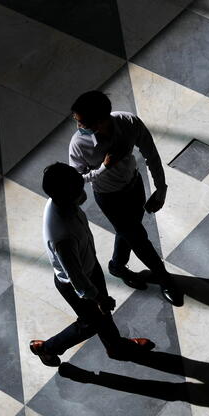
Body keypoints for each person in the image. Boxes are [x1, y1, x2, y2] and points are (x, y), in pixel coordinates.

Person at [29, 162, 153, 367]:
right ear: (65, 196)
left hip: (89, 267)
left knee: (101, 318)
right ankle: (48, 348)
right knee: (91, 323)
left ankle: (115, 347)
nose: (83, 192)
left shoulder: (60, 200)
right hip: (78, 284)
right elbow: (77, 279)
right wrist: (99, 298)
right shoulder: (62, 236)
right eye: (78, 190)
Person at [68, 90, 181, 306]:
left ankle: (117, 266)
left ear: (100, 121)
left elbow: (151, 154)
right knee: (138, 238)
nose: (78, 128)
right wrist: (103, 168)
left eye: (82, 123)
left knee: (128, 230)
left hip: (134, 184)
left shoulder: (129, 122)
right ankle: (165, 280)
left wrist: (161, 188)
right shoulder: (78, 145)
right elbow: (78, 179)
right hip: (109, 197)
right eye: (77, 121)